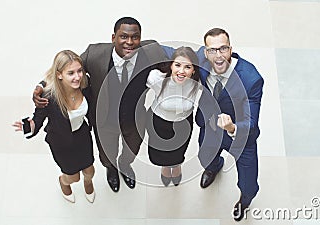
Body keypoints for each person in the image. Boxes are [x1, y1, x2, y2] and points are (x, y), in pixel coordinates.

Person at [33, 17, 167, 192]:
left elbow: (177, 60)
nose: (130, 42)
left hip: (135, 120)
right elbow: (65, 68)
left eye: (135, 37)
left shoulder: (152, 51)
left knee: (132, 149)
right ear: (113, 38)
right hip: (104, 120)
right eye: (123, 37)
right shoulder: (94, 54)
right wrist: (41, 86)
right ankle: (111, 170)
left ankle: (125, 166)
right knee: (106, 155)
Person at [195, 28, 264, 221]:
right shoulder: (201, 62)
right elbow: (170, 53)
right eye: (212, 50)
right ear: (206, 52)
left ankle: (244, 201)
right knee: (205, 159)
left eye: (223, 49)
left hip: (241, 137)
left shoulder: (251, 79)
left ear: (231, 49)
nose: (218, 56)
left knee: (249, 184)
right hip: (210, 129)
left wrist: (232, 127)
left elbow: (251, 120)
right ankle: (214, 167)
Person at [13, 50, 96, 203]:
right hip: (61, 142)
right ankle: (63, 182)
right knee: (73, 177)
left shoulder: (85, 85)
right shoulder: (48, 97)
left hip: (82, 136)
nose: (77, 77)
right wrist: (28, 126)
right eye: (71, 73)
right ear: (59, 74)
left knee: (90, 171)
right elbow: (37, 120)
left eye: (79, 71)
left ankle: (88, 182)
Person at [146, 47, 202, 186]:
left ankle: (176, 166)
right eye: (177, 65)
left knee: (179, 149)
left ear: (193, 70)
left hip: (183, 123)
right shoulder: (156, 78)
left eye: (187, 67)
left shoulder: (198, 82)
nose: (181, 71)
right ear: (171, 65)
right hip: (158, 122)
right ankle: (165, 167)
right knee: (159, 149)